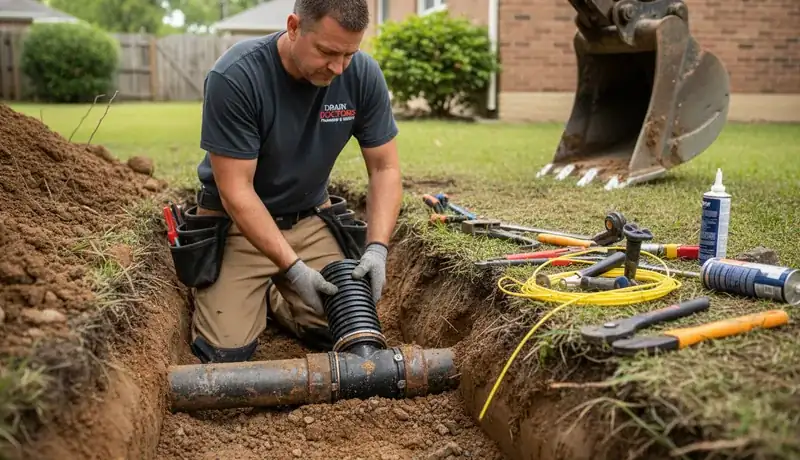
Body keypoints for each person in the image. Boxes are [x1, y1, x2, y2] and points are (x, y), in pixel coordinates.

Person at [186, 0, 402, 363]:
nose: (338, 67)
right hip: (238, 225)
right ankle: (260, 287)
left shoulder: (362, 74)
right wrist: (293, 268)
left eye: (349, 53)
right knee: (225, 352)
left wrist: (377, 249)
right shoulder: (237, 77)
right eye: (327, 52)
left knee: (347, 331)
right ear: (293, 27)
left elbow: (385, 169)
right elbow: (236, 190)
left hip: (308, 218)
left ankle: (275, 295)